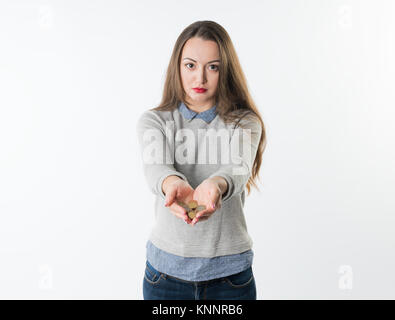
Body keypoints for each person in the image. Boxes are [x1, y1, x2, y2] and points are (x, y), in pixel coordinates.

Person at [136, 20, 266, 300]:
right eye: (191, 65)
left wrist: (216, 185)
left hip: (230, 280)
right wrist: (172, 184)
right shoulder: (154, 121)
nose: (200, 79)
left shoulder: (244, 122)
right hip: (164, 277)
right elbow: (155, 167)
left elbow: (238, 168)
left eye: (213, 67)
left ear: (225, 70)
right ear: (177, 67)